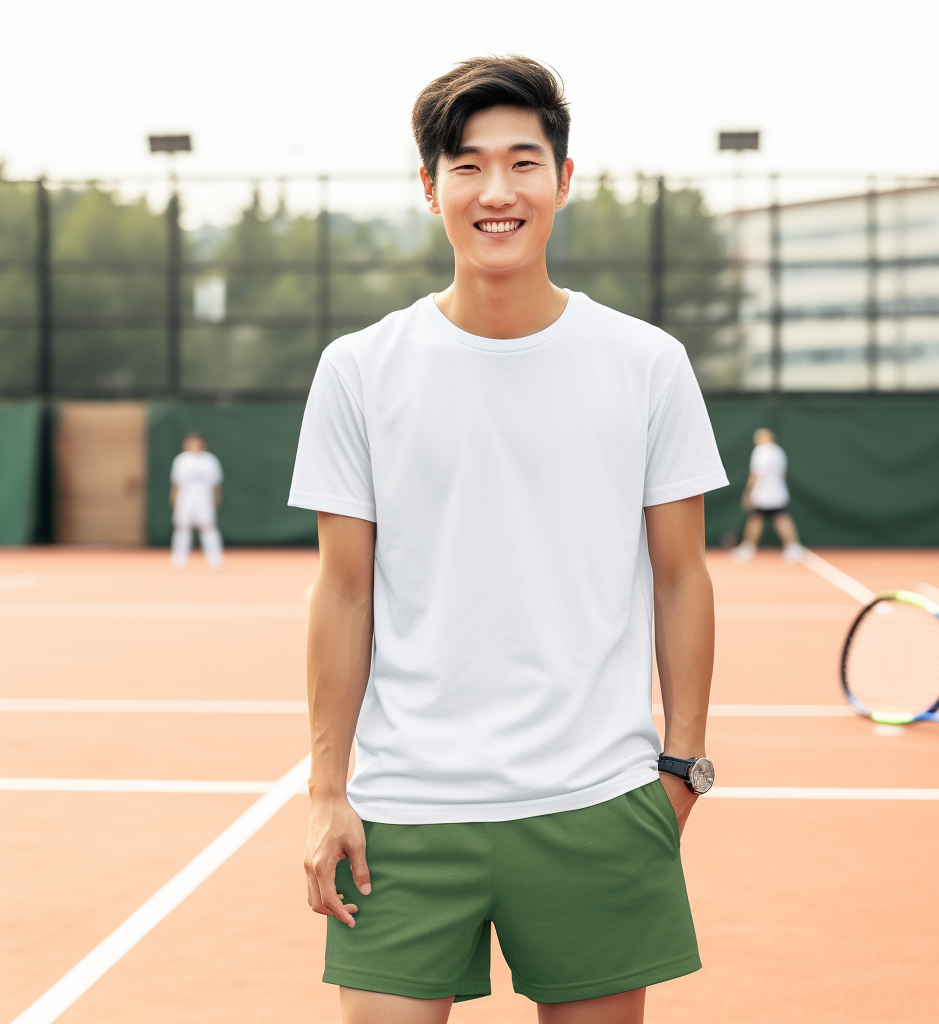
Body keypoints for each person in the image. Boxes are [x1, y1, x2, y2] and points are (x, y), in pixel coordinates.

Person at [289, 56, 727, 1024]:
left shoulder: (647, 363)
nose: (496, 191)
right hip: (403, 813)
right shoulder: (359, 369)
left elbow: (681, 577)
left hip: (597, 802)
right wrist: (328, 790)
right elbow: (343, 592)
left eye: (523, 163)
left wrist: (682, 765)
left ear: (563, 181)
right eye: (466, 165)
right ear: (429, 187)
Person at [731, 427, 803, 562]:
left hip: (763, 495)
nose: (756, 441)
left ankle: (748, 548)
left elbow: (756, 474)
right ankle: (793, 547)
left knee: (757, 518)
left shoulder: (760, 451)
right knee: (778, 518)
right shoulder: (778, 451)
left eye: (758, 438)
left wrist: (749, 493)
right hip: (777, 494)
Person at [169, 432, 224, 570]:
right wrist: (174, 500)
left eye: (197, 442)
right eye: (191, 442)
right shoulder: (180, 460)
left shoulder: (210, 460)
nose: (194, 445)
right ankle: (179, 561)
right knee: (182, 528)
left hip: (204, 499)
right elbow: (176, 484)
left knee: (208, 527)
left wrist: (216, 500)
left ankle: (215, 560)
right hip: (185, 499)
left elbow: (215, 485)